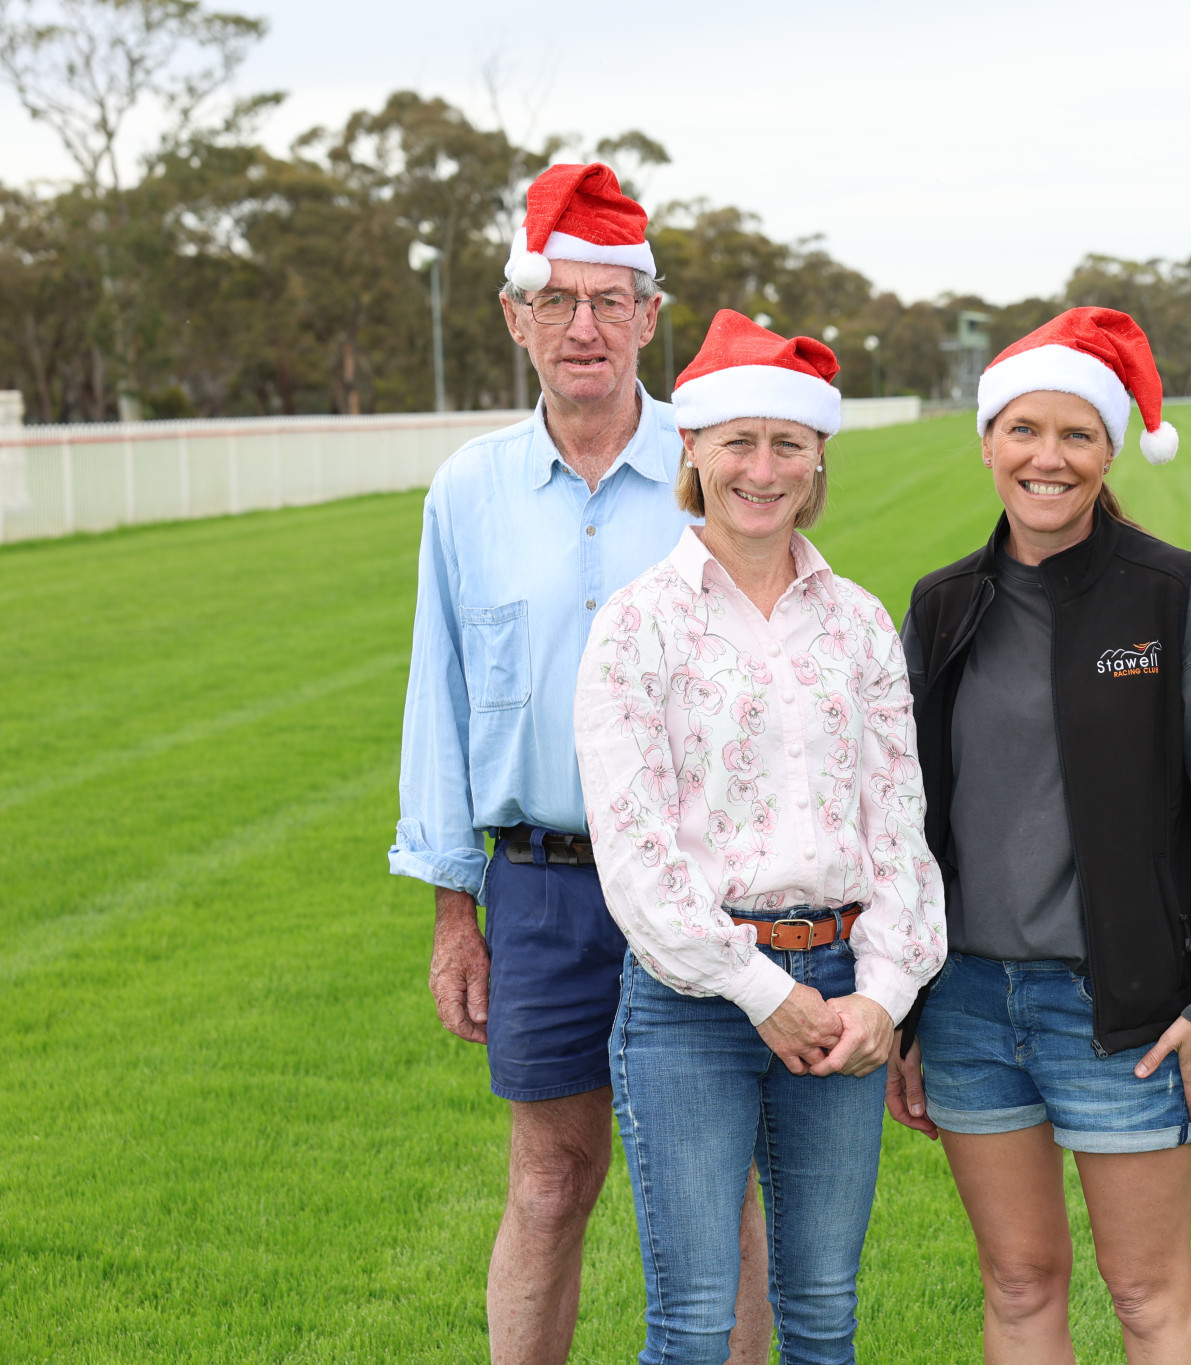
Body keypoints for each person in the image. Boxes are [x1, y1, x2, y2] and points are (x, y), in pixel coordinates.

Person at [391, 165, 770, 1365]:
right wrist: (458, 915)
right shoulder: (467, 493)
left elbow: (782, 695)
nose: (584, 329)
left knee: (722, 1193)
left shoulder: (723, 474)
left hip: (711, 885)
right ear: (514, 318)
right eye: (556, 303)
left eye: (610, 302)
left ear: (651, 317)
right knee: (550, 1183)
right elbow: (439, 708)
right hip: (546, 888)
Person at [887, 308, 1191, 1364]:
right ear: (986, 443)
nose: (1046, 458)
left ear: (1109, 450)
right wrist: (907, 1005)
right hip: (965, 1004)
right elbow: (905, 820)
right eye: (1022, 431)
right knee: (1017, 1283)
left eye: (1075, 435)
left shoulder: (1175, 594)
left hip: (1123, 1008)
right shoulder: (940, 607)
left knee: (1146, 1293)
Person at [574, 309, 947, 1365]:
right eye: (736, 441)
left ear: (816, 459)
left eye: (787, 444)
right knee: (692, 1328)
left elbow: (898, 827)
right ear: (690, 449)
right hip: (693, 1002)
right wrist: (757, 993)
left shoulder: (859, 622)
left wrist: (882, 992)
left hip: (842, 989)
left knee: (824, 1318)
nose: (761, 468)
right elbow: (636, 848)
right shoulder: (638, 623)